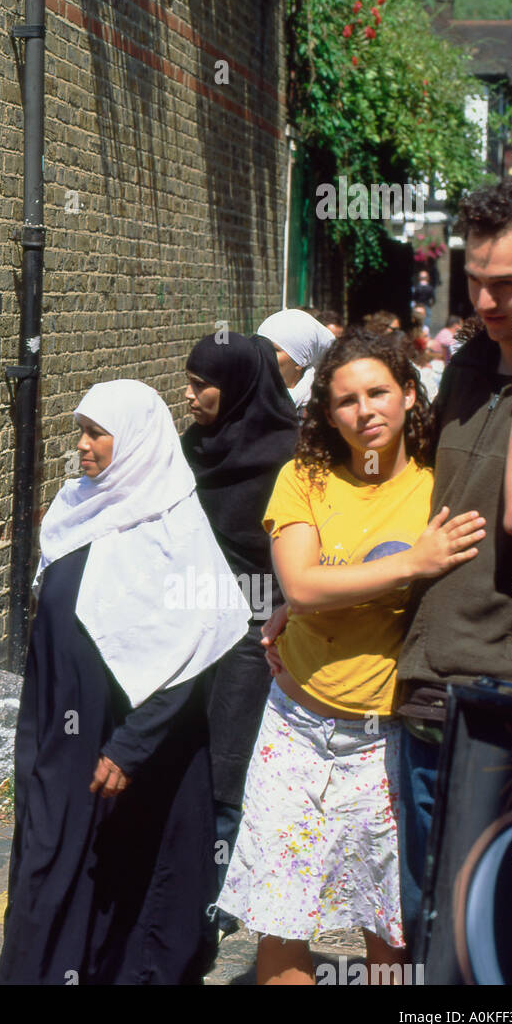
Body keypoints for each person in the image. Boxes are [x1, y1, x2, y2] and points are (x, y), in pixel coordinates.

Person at [216, 331, 485, 984]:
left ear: (409, 395)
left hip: (383, 736)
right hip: (296, 728)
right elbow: (302, 584)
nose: (365, 410)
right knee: (282, 920)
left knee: (386, 928)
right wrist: (411, 564)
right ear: (326, 412)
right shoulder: (302, 478)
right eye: (345, 400)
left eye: (378, 393)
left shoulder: (436, 489)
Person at [0, 380, 248, 985]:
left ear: (134, 441)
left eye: (95, 434)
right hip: (60, 733)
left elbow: (191, 651)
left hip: (129, 746)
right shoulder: (77, 507)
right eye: (80, 431)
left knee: (121, 888)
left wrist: (131, 745)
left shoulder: (173, 528)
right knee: (47, 868)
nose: (81, 446)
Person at [396, 181, 512, 957]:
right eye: (475, 280)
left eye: (509, 286)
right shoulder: (464, 364)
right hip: (426, 694)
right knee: (422, 925)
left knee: (494, 946)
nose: (487, 301)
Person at [182, 331, 299, 891]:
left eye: (201, 385)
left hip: (260, 630)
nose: (188, 395)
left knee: (230, 763)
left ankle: (218, 892)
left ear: (238, 388)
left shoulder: (292, 460)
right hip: (190, 621)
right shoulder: (190, 448)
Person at [256, 309, 336, 411]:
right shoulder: (241, 398)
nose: (263, 353)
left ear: (300, 361)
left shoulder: (317, 412)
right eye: (260, 346)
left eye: (275, 350)